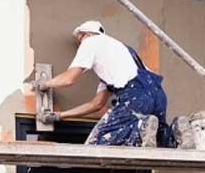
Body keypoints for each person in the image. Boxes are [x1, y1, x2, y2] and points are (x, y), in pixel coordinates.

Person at [33, 20, 194, 149]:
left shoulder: (91, 42)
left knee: (96, 144)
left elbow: (69, 79)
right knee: (157, 138)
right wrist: (60, 116)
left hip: (135, 94)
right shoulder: (120, 53)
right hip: (157, 93)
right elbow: (96, 104)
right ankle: (175, 130)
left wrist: (44, 84)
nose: (80, 45)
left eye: (79, 40)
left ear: (86, 34)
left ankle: (140, 127)